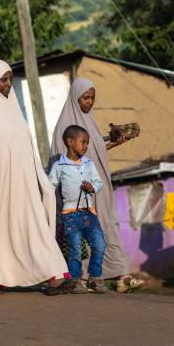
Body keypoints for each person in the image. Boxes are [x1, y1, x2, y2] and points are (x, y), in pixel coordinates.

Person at [0, 59, 77, 299]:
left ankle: (55, 275)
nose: (9, 84)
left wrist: (40, 180)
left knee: (32, 227)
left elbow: (26, 148)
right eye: (3, 80)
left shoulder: (14, 111)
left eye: (10, 79)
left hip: (22, 187)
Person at [48, 78, 144, 292]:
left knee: (107, 225)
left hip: (97, 188)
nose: (90, 102)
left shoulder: (89, 122)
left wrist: (110, 144)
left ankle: (121, 274)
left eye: (93, 98)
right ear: (75, 98)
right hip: (77, 193)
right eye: (86, 97)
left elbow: (89, 154)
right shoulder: (65, 127)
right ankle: (82, 278)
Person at [48, 125, 108, 293]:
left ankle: (94, 278)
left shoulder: (89, 164)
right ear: (70, 142)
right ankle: (73, 282)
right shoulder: (59, 166)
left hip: (89, 213)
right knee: (74, 249)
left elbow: (99, 183)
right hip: (70, 216)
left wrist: (92, 187)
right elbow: (49, 186)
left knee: (99, 244)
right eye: (83, 142)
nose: (86, 146)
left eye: (87, 143)